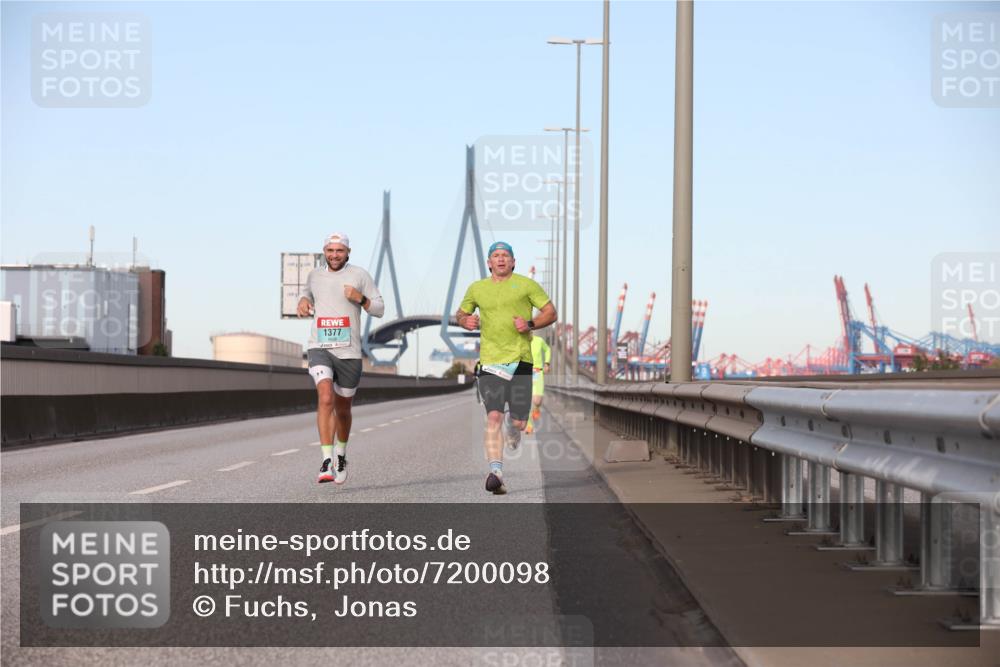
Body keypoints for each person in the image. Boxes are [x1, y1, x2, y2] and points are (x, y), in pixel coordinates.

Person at [456, 241, 557, 495]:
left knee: (519, 421)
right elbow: (460, 313)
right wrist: (465, 320)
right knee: (493, 416)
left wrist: (531, 323)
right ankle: (496, 472)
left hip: (521, 360)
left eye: (505, 256)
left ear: (513, 261)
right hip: (490, 362)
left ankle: (515, 429)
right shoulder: (477, 289)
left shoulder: (526, 285)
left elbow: (551, 312)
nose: (500, 259)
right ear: (489, 262)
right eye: (495, 256)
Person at [297, 232, 384, 485]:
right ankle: (325, 461)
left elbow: (379, 308)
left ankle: (341, 453)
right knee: (325, 397)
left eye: (339, 251)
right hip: (320, 347)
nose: (334, 255)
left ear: (348, 252)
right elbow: (306, 295)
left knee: (343, 410)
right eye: (330, 250)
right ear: (324, 251)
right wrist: (303, 302)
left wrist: (362, 299)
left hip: (349, 352)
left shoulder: (359, 275)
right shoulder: (314, 275)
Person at [524, 333, 551, 435]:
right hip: (525, 373)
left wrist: (547, 363)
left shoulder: (539, 340)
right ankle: (529, 426)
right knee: (527, 401)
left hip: (538, 372)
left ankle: (537, 408)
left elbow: (547, 349)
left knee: (537, 401)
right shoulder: (520, 341)